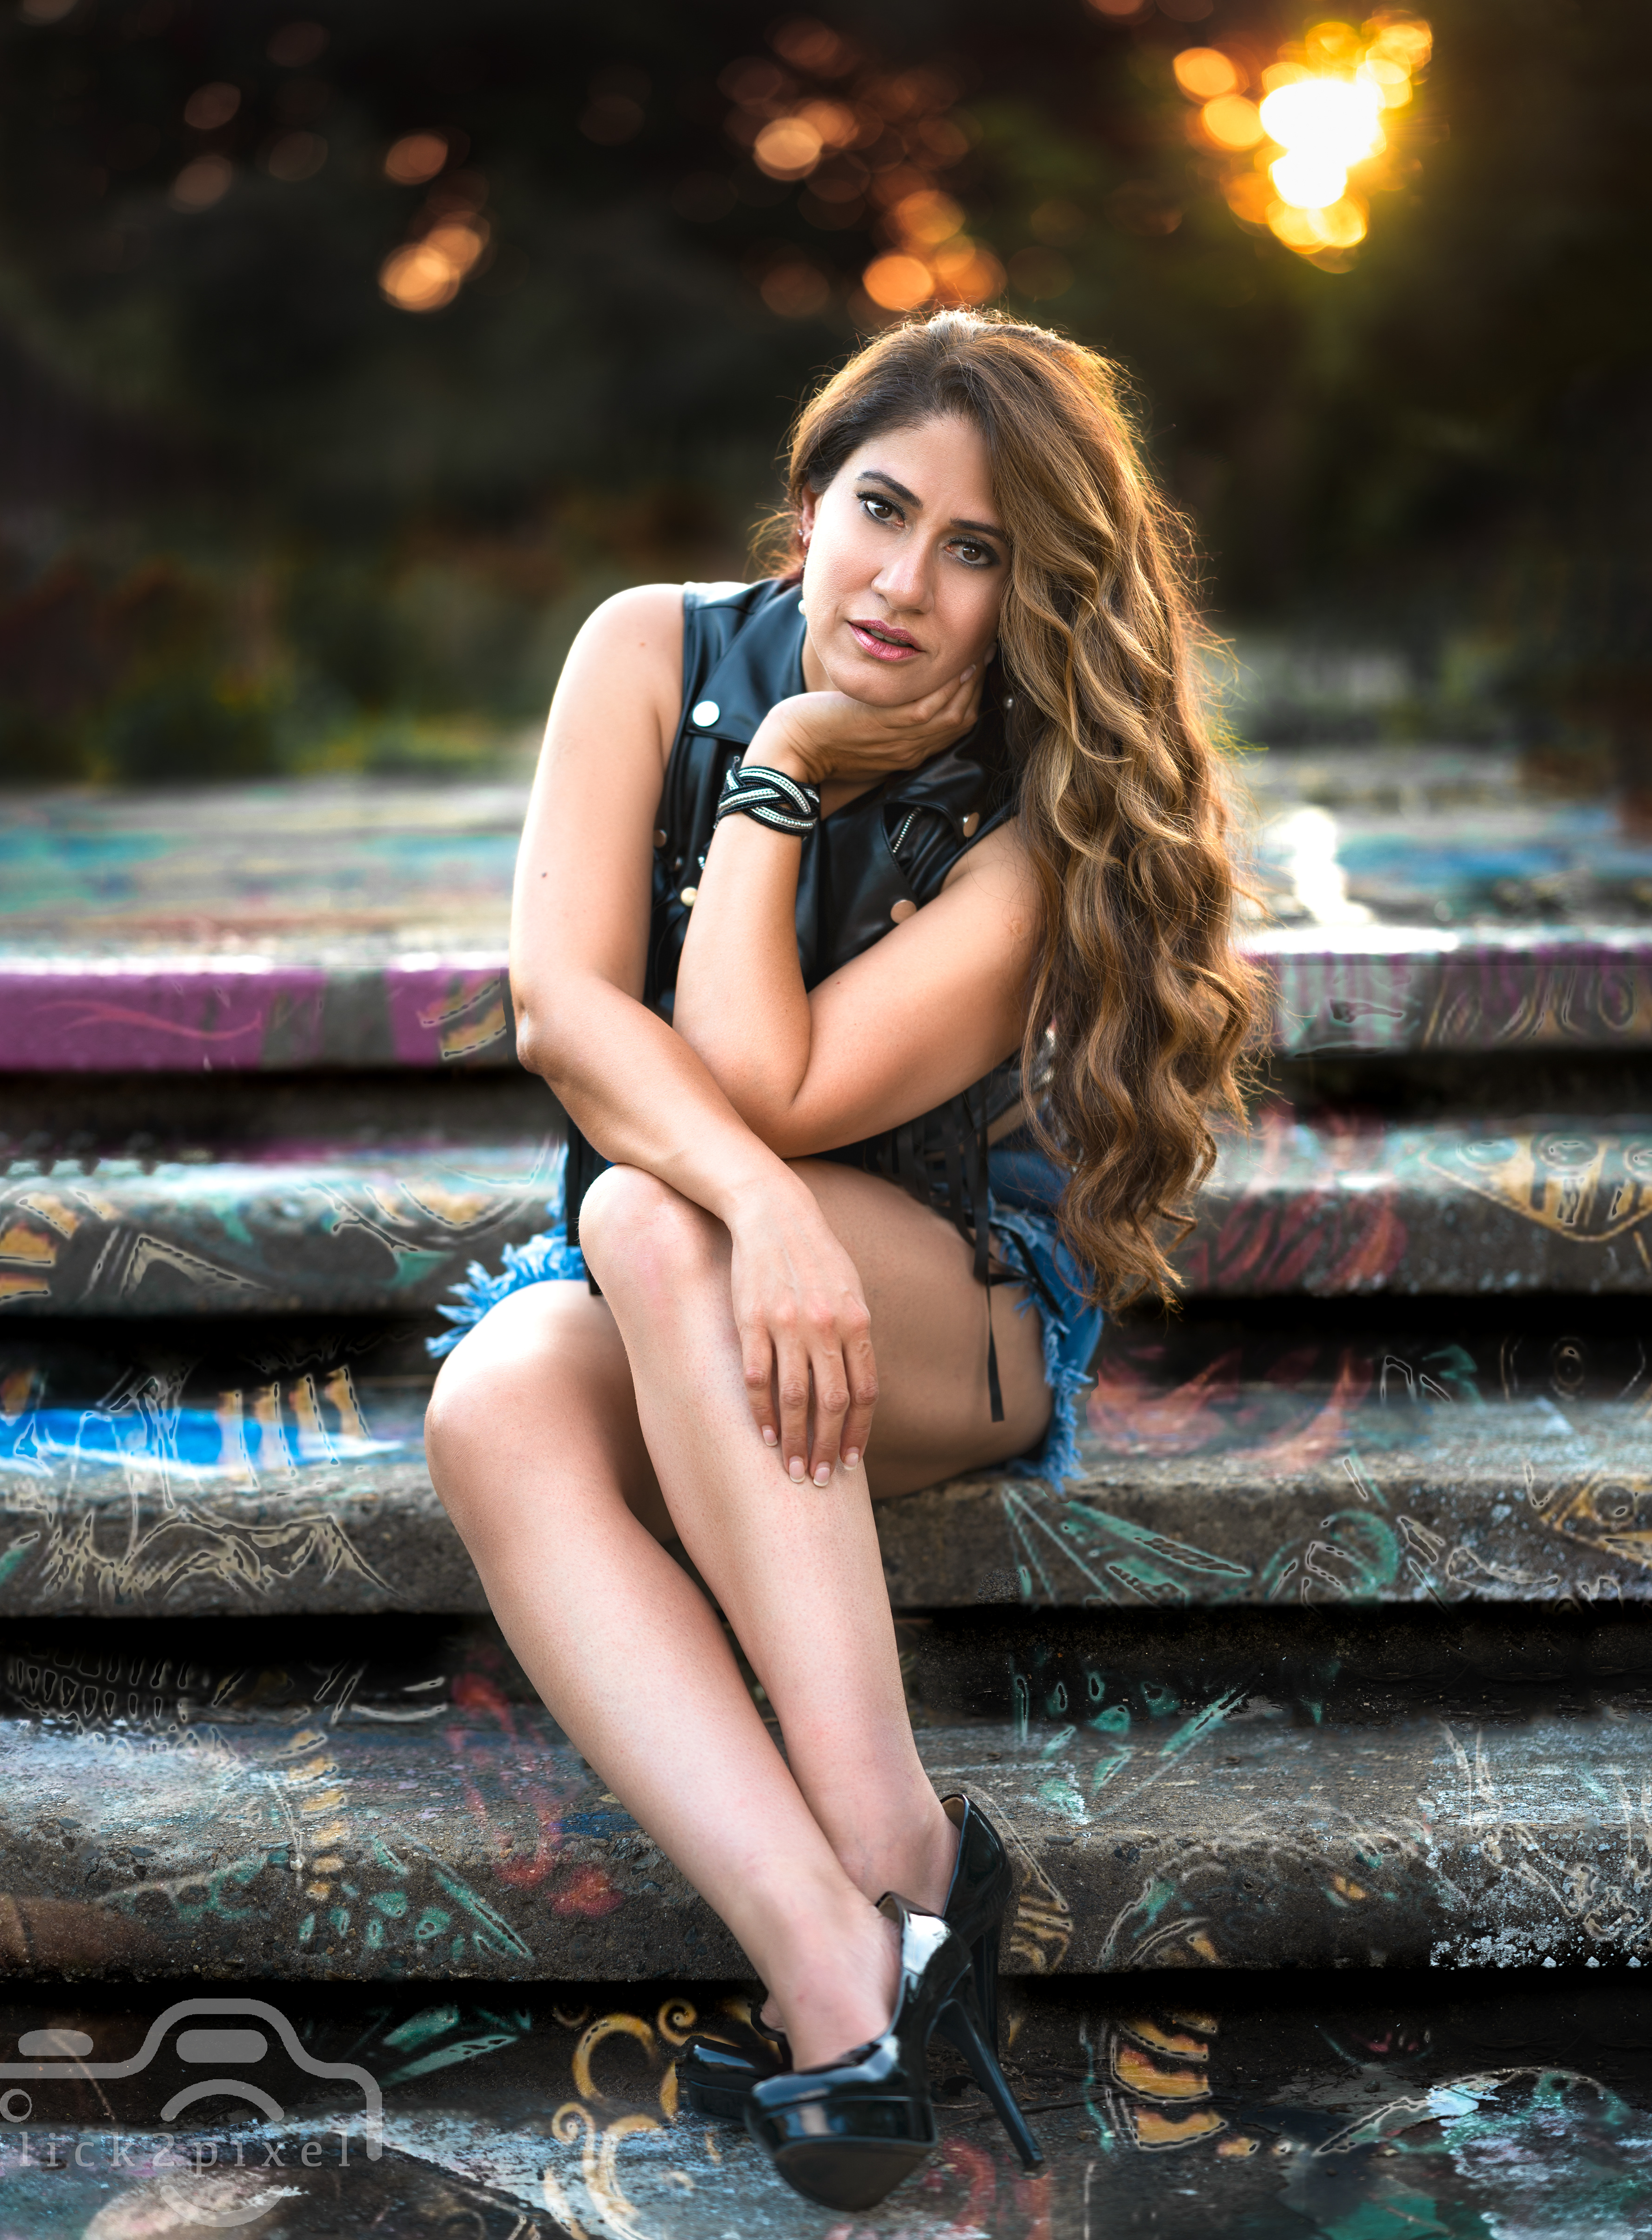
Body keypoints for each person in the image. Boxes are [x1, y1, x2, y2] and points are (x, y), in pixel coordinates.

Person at [424, 308, 1260, 2212]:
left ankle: (900, 1849)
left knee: (652, 1211)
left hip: (954, 1314)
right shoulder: (646, 646)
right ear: (809, 504)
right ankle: (835, 1962)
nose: (906, 581)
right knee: (493, 1399)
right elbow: (560, 1007)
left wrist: (786, 772)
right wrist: (764, 1211)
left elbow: (761, 1083)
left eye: (982, 553)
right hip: (704, 1275)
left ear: (1032, 595)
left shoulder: (1044, 814)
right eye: (884, 510)